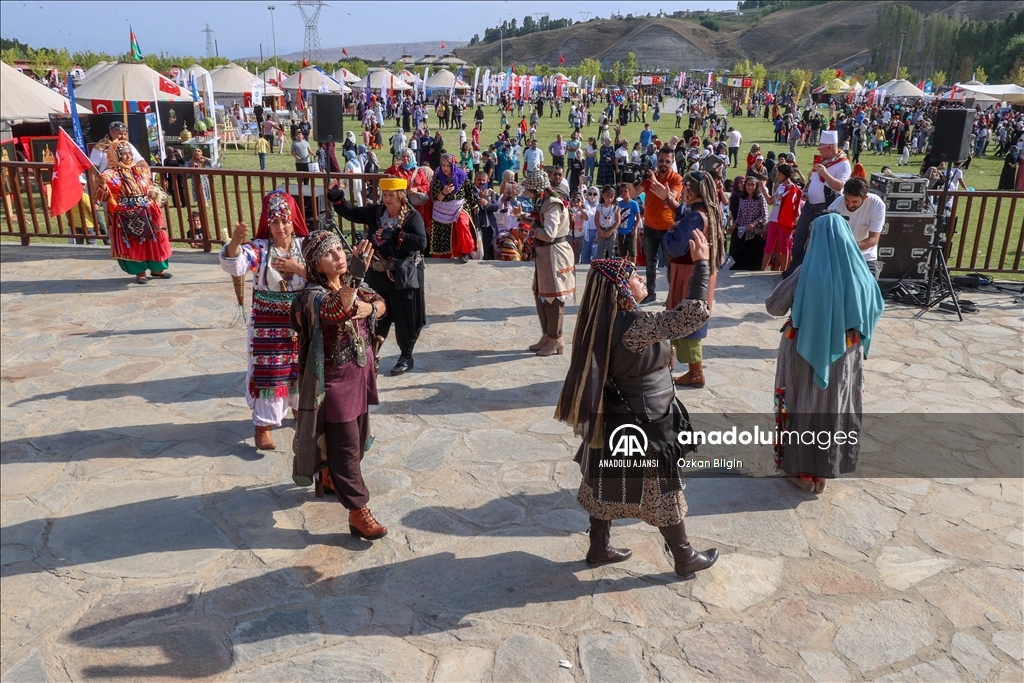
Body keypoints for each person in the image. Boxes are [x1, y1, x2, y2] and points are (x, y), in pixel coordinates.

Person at [553, 233, 719, 579]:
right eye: (636, 276)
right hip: (647, 422)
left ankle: (599, 546)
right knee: (663, 489)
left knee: (606, 478)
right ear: (619, 289)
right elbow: (694, 315)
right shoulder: (634, 326)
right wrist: (701, 265)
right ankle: (684, 556)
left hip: (618, 416)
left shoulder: (605, 321)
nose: (642, 279)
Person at [766, 213, 884, 494]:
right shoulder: (862, 274)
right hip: (847, 352)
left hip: (802, 352)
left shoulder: (804, 274)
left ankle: (803, 473)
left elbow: (774, 306)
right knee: (835, 406)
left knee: (802, 404)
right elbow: (876, 307)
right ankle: (824, 473)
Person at [290, 230, 389, 540]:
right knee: (346, 447)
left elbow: (380, 302)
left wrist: (369, 309)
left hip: (359, 376)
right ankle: (358, 512)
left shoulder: (353, 289)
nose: (339, 256)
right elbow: (335, 310)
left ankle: (331, 477)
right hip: (332, 383)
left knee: (356, 443)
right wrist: (355, 280)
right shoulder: (311, 295)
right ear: (317, 264)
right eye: (329, 253)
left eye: (339, 249)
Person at [220, 191, 309, 450]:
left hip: (302, 321)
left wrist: (298, 268)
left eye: (285, 220)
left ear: (294, 221)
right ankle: (263, 425)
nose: (280, 227)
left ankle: (301, 410)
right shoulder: (259, 248)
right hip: (269, 326)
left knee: (303, 369)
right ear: (267, 223)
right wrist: (236, 243)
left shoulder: (305, 246)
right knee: (270, 374)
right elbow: (236, 265)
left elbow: (324, 272)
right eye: (274, 221)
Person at [328, 176, 428, 376]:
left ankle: (406, 356)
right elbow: (350, 212)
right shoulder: (375, 212)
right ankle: (372, 354)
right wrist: (337, 197)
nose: (387, 198)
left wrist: (397, 235)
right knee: (378, 315)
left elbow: (421, 242)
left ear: (401, 196)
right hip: (379, 276)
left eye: (392, 195)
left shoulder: (411, 217)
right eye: (385, 194)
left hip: (402, 278)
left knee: (405, 317)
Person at [668, 171, 727, 388]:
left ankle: (695, 373)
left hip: (688, 272)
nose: (683, 191)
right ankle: (670, 362)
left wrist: (671, 231)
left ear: (692, 191)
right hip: (702, 271)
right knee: (686, 317)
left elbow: (675, 246)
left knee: (687, 319)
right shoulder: (711, 211)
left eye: (685, 187)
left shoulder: (695, 217)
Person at [512, 170, 576, 356]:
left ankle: (557, 340)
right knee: (541, 294)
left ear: (538, 189)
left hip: (555, 255)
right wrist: (523, 216)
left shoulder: (552, 204)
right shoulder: (544, 201)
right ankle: (548, 336)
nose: (528, 193)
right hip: (545, 255)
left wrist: (531, 226)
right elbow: (540, 221)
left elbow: (549, 233)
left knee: (554, 297)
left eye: (530, 190)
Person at [97, 141, 173, 284]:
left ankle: (158, 269)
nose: (128, 156)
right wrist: (101, 184)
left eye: (129, 153)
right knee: (134, 243)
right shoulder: (109, 175)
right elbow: (102, 197)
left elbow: (149, 185)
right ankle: (140, 272)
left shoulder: (141, 170)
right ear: (116, 156)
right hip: (126, 214)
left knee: (155, 240)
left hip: (148, 210)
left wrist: (152, 192)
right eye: (124, 154)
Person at [784, 130, 850, 277]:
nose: (819, 150)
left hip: (825, 206)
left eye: (821, 147)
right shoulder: (822, 161)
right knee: (800, 234)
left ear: (830, 147)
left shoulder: (842, 164)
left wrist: (825, 173)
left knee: (817, 239)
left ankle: (811, 271)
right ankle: (795, 268)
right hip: (810, 204)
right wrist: (807, 191)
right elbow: (812, 180)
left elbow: (840, 186)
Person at [627, 146, 683, 304]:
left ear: (672, 162)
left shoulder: (676, 179)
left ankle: (672, 295)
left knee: (670, 265)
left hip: (669, 228)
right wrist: (629, 179)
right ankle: (650, 293)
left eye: (667, 161)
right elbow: (632, 194)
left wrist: (653, 180)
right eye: (661, 160)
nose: (663, 164)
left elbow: (669, 196)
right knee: (650, 264)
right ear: (657, 160)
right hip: (650, 227)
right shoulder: (648, 176)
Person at [829, 177, 886, 281]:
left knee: (869, 292)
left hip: (866, 257)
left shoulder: (877, 204)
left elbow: (873, 239)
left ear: (864, 198)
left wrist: (848, 247)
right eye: (846, 199)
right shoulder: (834, 207)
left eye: (855, 201)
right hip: (841, 257)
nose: (850, 204)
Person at [429, 153, 477, 261]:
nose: (445, 168)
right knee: (444, 230)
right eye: (443, 165)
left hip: (460, 206)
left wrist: (474, 205)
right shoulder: (438, 177)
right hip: (443, 207)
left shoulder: (462, 175)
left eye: (448, 166)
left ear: (453, 165)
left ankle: (464, 252)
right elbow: (436, 198)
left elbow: (469, 192)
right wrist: (444, 192)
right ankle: (445, 255)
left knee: (461, 223)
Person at [762, 163, 800, 273]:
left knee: (784, 247)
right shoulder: (780, 186)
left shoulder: (793, 188)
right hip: (774, 219)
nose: (777, 175)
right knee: (769, 246)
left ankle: (784, 273)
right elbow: (770, 201)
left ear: (783, 175)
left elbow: (796, 210)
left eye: (779, 173)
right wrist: (763, 189)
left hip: (785, 221)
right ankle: (761, 271)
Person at [728, 176, 768, 271]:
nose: (750, 187)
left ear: (756, 186)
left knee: (753, 259)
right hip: (743, 232)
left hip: (755, 233)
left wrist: (754, 224)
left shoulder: (760, 198)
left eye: (752, 185)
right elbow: (740, 216)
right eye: (748, 184)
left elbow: (764, 215)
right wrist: (733, 226)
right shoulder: (742, 198)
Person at [473, 171, 500, 261]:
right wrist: (479, 198)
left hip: (490, 228)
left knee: (488, 253)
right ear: (474, 180)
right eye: (479, 180)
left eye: (483, 180)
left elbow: (495, 207)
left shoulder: (491, 192)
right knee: (478, 253)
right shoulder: (470, 192)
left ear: (487, 181)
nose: (481, 182)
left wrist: (486, 203)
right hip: (478, 227)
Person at [594, 185, 620, 260]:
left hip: (611, 230)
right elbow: (596, 219)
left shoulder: (615, 208)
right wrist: (599, 230)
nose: (610, 199)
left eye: (612, 196)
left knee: (611, 250)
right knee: (600, 250)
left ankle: (611, 266)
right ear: (603, 195)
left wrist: (611, 231)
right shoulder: (599, 207)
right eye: (608, 196)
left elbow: (618, 221)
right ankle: (599, 265)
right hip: (601, 230)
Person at [617, 183, 640, 263]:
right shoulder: (619, 204)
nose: (623, 193)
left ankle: (633, 269)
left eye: (625, 191)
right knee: (623, 252)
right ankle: (623, 269)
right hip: (621, 232)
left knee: (632, 252)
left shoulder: (634, 203)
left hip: (630, 232)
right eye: (621, 191)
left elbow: (638, 217)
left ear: (629, 192)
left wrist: (634, 229)